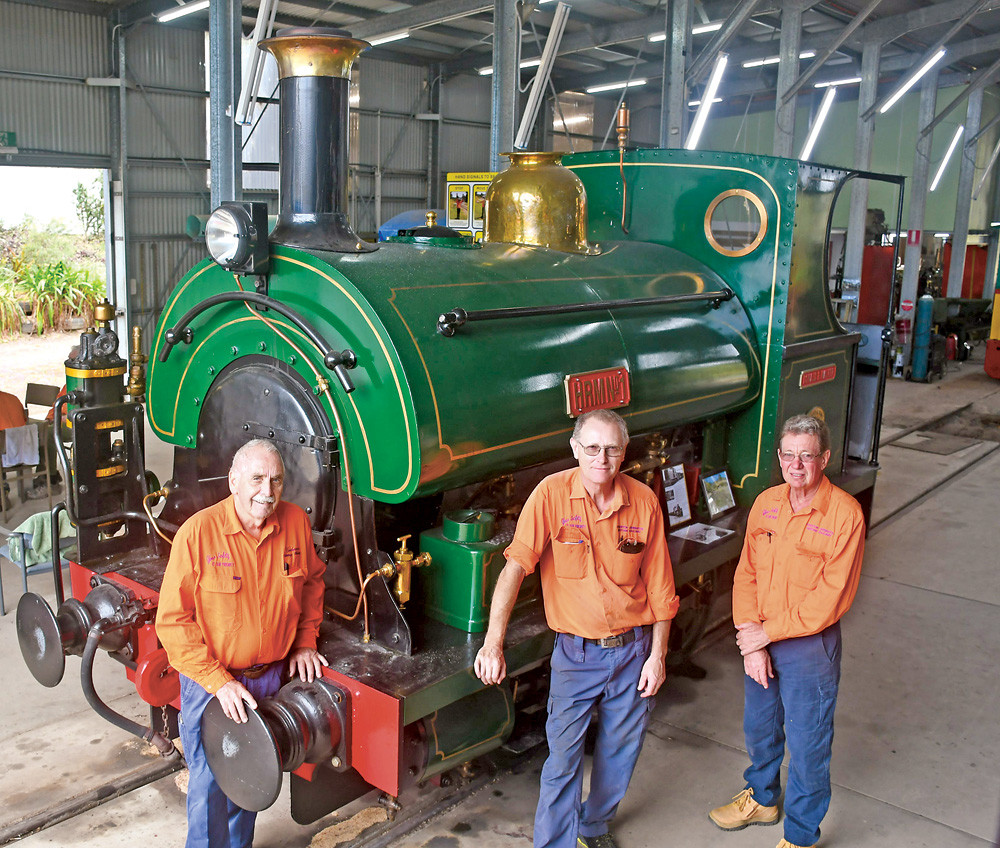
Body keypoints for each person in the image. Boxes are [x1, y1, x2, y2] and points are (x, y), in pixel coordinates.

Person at [475, 409, 678, 848]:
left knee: (620, 752)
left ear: (624, 453)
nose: (600, 458)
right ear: (575, 449)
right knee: (563, 760)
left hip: (634, 652)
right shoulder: (550, 495)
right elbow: (515, 568)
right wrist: (494, 643)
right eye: (591, 447)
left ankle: (594, 826)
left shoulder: (643, 502)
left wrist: (657, 657)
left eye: (610, 449)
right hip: (577, 654)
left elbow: (662, 590)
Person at [156, 439, 328, 848]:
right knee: (210, 784)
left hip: (267, 679)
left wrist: (305, 641)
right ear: (234, 481)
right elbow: (172, 622)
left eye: (276, 480)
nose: (266, 491)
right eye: (256, 479)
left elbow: (313, 582)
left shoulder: (295, 524)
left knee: (250, 779)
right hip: (213, 685)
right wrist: (219, 682)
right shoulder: (198, 535)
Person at [708, 415, 866, 848]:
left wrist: (765, 634)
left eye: (807, 456)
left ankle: (800, 835)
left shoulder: (844, 515)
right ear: (779, 458)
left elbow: (829, 598)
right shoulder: (767, 503)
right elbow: (746, 574)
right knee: (760, 727)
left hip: (809, 647)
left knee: (808, 742)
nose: (797, 465)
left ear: (825, 459)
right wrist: (750, 637)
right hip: (761, 637)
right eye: (789, 455)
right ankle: (762, 798)